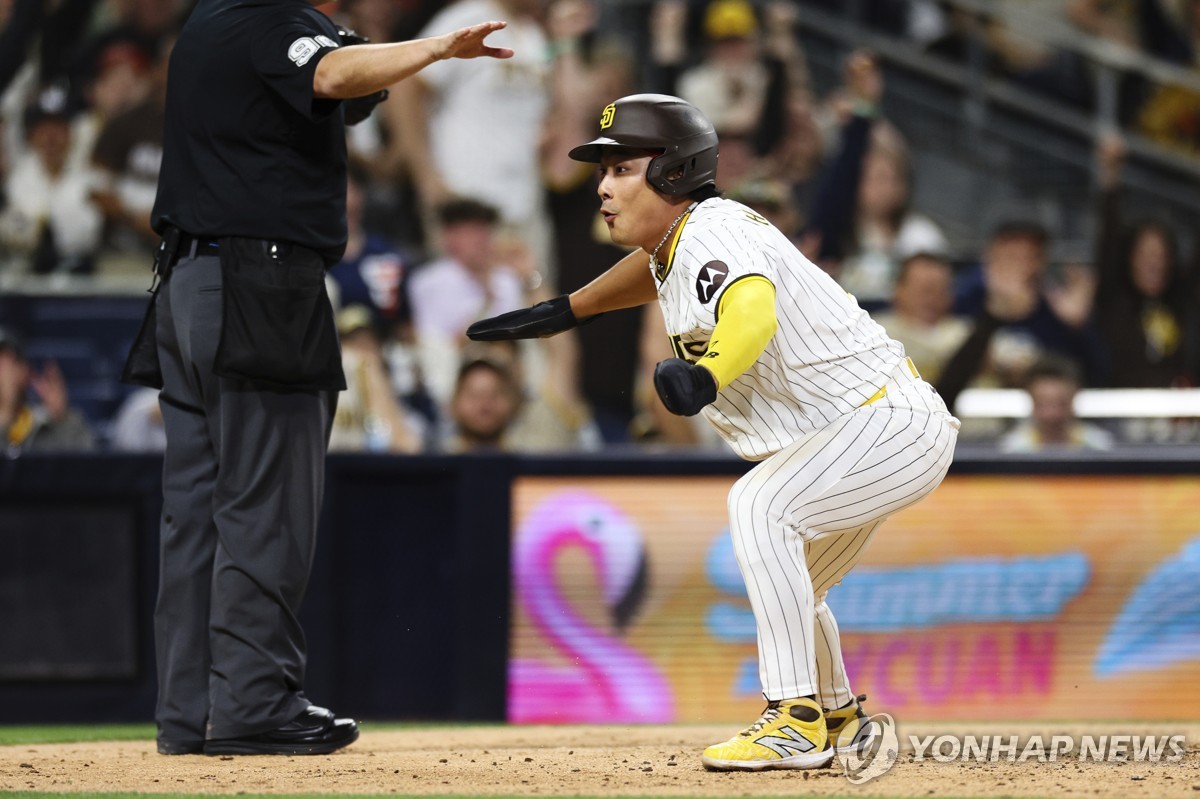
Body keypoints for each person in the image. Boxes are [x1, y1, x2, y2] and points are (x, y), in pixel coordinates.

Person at [466, 94, 960, 770]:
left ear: (672, 173)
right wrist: (571, 308)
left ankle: (793, 718)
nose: (604, 185)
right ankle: (838, 714)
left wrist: (708, 375)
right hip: (873, 426)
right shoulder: (687, 238)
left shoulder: (714, 230)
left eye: (622, 168)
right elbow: (656, 271)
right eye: (601, 170)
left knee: (759, 506)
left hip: (882, 420)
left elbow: (749, 307)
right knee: (797, 583)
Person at [121, 0, 512, 758]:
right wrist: (435, 48)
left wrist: (358, 52)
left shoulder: (210, 21)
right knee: (265, 503)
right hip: (260, 284)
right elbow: (332, 72)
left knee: (196, 510)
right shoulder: (270, 20)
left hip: (187, 283)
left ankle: (191, 711)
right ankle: (255, 703)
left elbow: (347, 85)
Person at [0, 326, 96, 455]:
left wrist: (62, 418)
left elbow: (88, 465)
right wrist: (5, 411)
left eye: (9, 363)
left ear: (25, 371)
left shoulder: (44, 423)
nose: (4, 372)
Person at [998, 356, 1114, 452]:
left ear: (1074, 397)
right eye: (1043, 405)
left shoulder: (1099, 448)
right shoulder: (1012, 451)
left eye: (1060, 404)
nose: (1052, 415)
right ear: (1031, 401)